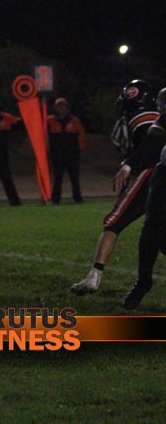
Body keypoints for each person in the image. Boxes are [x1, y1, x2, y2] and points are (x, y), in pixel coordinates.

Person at [71, 80, 160, 295]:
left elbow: (150, 143)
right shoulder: (156, 116)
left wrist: (129, 165)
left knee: (113, 223)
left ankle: (94, 276)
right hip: (156, 176)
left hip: (152, 177)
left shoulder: (143, 117)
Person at [121, 87, 166, 309]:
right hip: (164, 176)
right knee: (150, 230)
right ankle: (143, 281)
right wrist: (129, 164)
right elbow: (154, 134)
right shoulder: (161, 121)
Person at [47, 97, 86, 204]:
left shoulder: (74, 121)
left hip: (72, 154)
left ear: (67, 107)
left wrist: (81, 148)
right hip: (57, 154)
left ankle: (77, 198)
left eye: (63, 106)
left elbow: (81, 135)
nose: (61, 108)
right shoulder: (49, 120)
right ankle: (55, 199)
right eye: (59, 106)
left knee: (74, 177)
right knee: (57, 178)